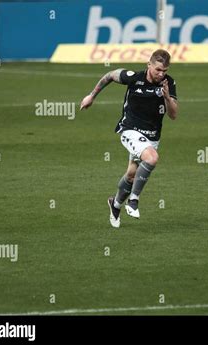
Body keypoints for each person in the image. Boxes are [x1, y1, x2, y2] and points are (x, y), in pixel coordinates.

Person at [80, 49, 178, 228]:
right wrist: (91, 96)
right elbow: (109, 75)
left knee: (132, 175)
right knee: (152, 158)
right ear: (149, 65)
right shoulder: (133, 77)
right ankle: (133, 200)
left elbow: (173, 115)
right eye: (157, 69)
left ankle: (115, 204)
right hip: (130, 130)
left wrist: (167, 97)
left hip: (152, 136)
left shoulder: (168, 83)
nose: (161, 74)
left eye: (165, 70)